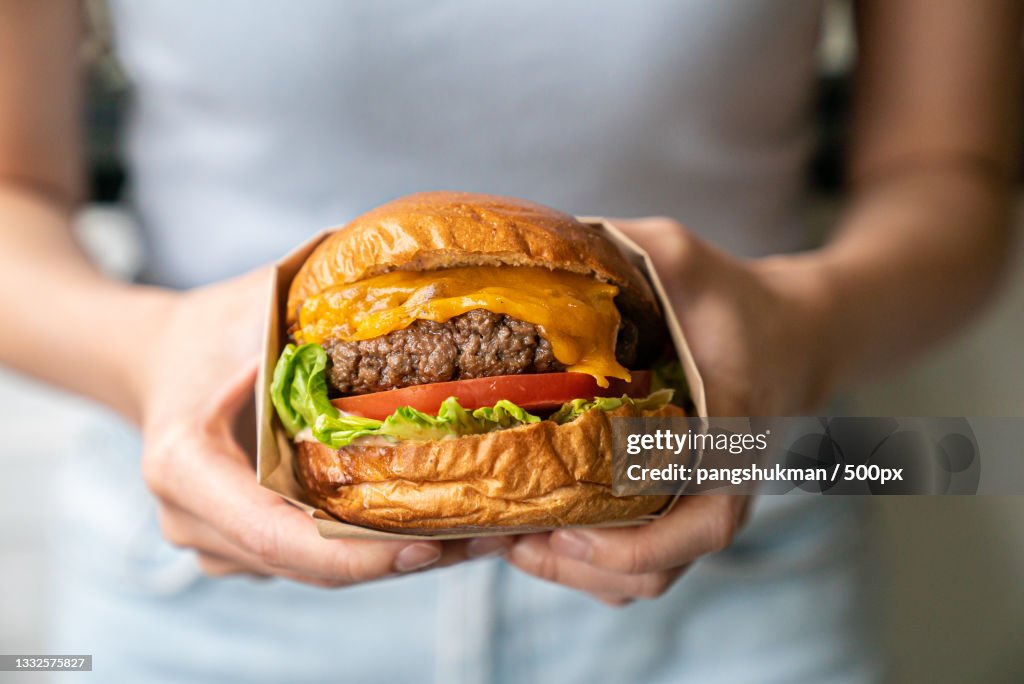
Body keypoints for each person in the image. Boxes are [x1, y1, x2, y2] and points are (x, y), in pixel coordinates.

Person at [0, 1, 1019, 682]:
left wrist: (811, 322)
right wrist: (146, 354)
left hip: (744, 530)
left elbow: (953, 168)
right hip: (207, 575)